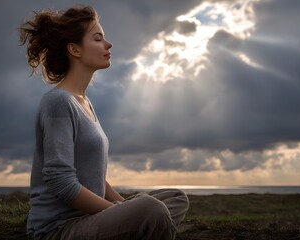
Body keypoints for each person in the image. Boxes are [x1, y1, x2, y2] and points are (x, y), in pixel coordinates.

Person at [19, 5, 189, 240]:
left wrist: (124, 206)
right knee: (152, 210)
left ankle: (148, 225)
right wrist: (121, 211)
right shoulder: (58, 102)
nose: (108, 45)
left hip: (91, 218)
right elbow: (60, 181)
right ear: (75, 49)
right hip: (59, 228)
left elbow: (93, 175)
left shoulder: (85, 103)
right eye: (98, 38)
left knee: (175, 198)